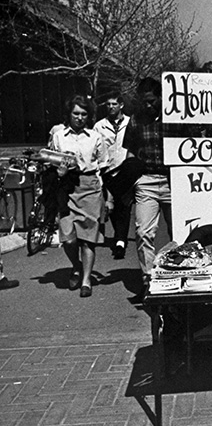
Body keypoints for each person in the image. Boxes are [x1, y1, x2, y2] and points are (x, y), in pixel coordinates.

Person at [122, 77, 192, 289]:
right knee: (144, 232)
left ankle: (181, 272)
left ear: (162, 98)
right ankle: (148, 277)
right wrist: (130, 180)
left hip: (174, 180)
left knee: (179, 231)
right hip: (146, 180)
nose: (148, 106)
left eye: (152, 101)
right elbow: (130, 151)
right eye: (144, 101)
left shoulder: (176, 118)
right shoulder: (135, 120)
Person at [48, 94, 107, 298]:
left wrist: (107, 197)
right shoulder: (59, 136)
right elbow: (50, 162)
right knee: (69, 238)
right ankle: (76, 265)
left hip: (89, 187)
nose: (80, 117)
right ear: (69, 114)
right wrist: (59, 172)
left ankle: (86, 279)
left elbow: (104, 165)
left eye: (83, 114)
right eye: (76, 113)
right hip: (66, 188)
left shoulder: (95, 137)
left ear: (88, 116)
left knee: (87, 240)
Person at [94, 92, 131, 259]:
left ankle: (120, 240)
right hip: (107, 170)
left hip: (125, 168)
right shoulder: (99, 126)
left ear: (121, 105)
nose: (110, 107)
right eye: (108, 104)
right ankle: (119, 235)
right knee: (112, 206)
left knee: (124, 204)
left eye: (114, 104)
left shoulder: (130, 122)